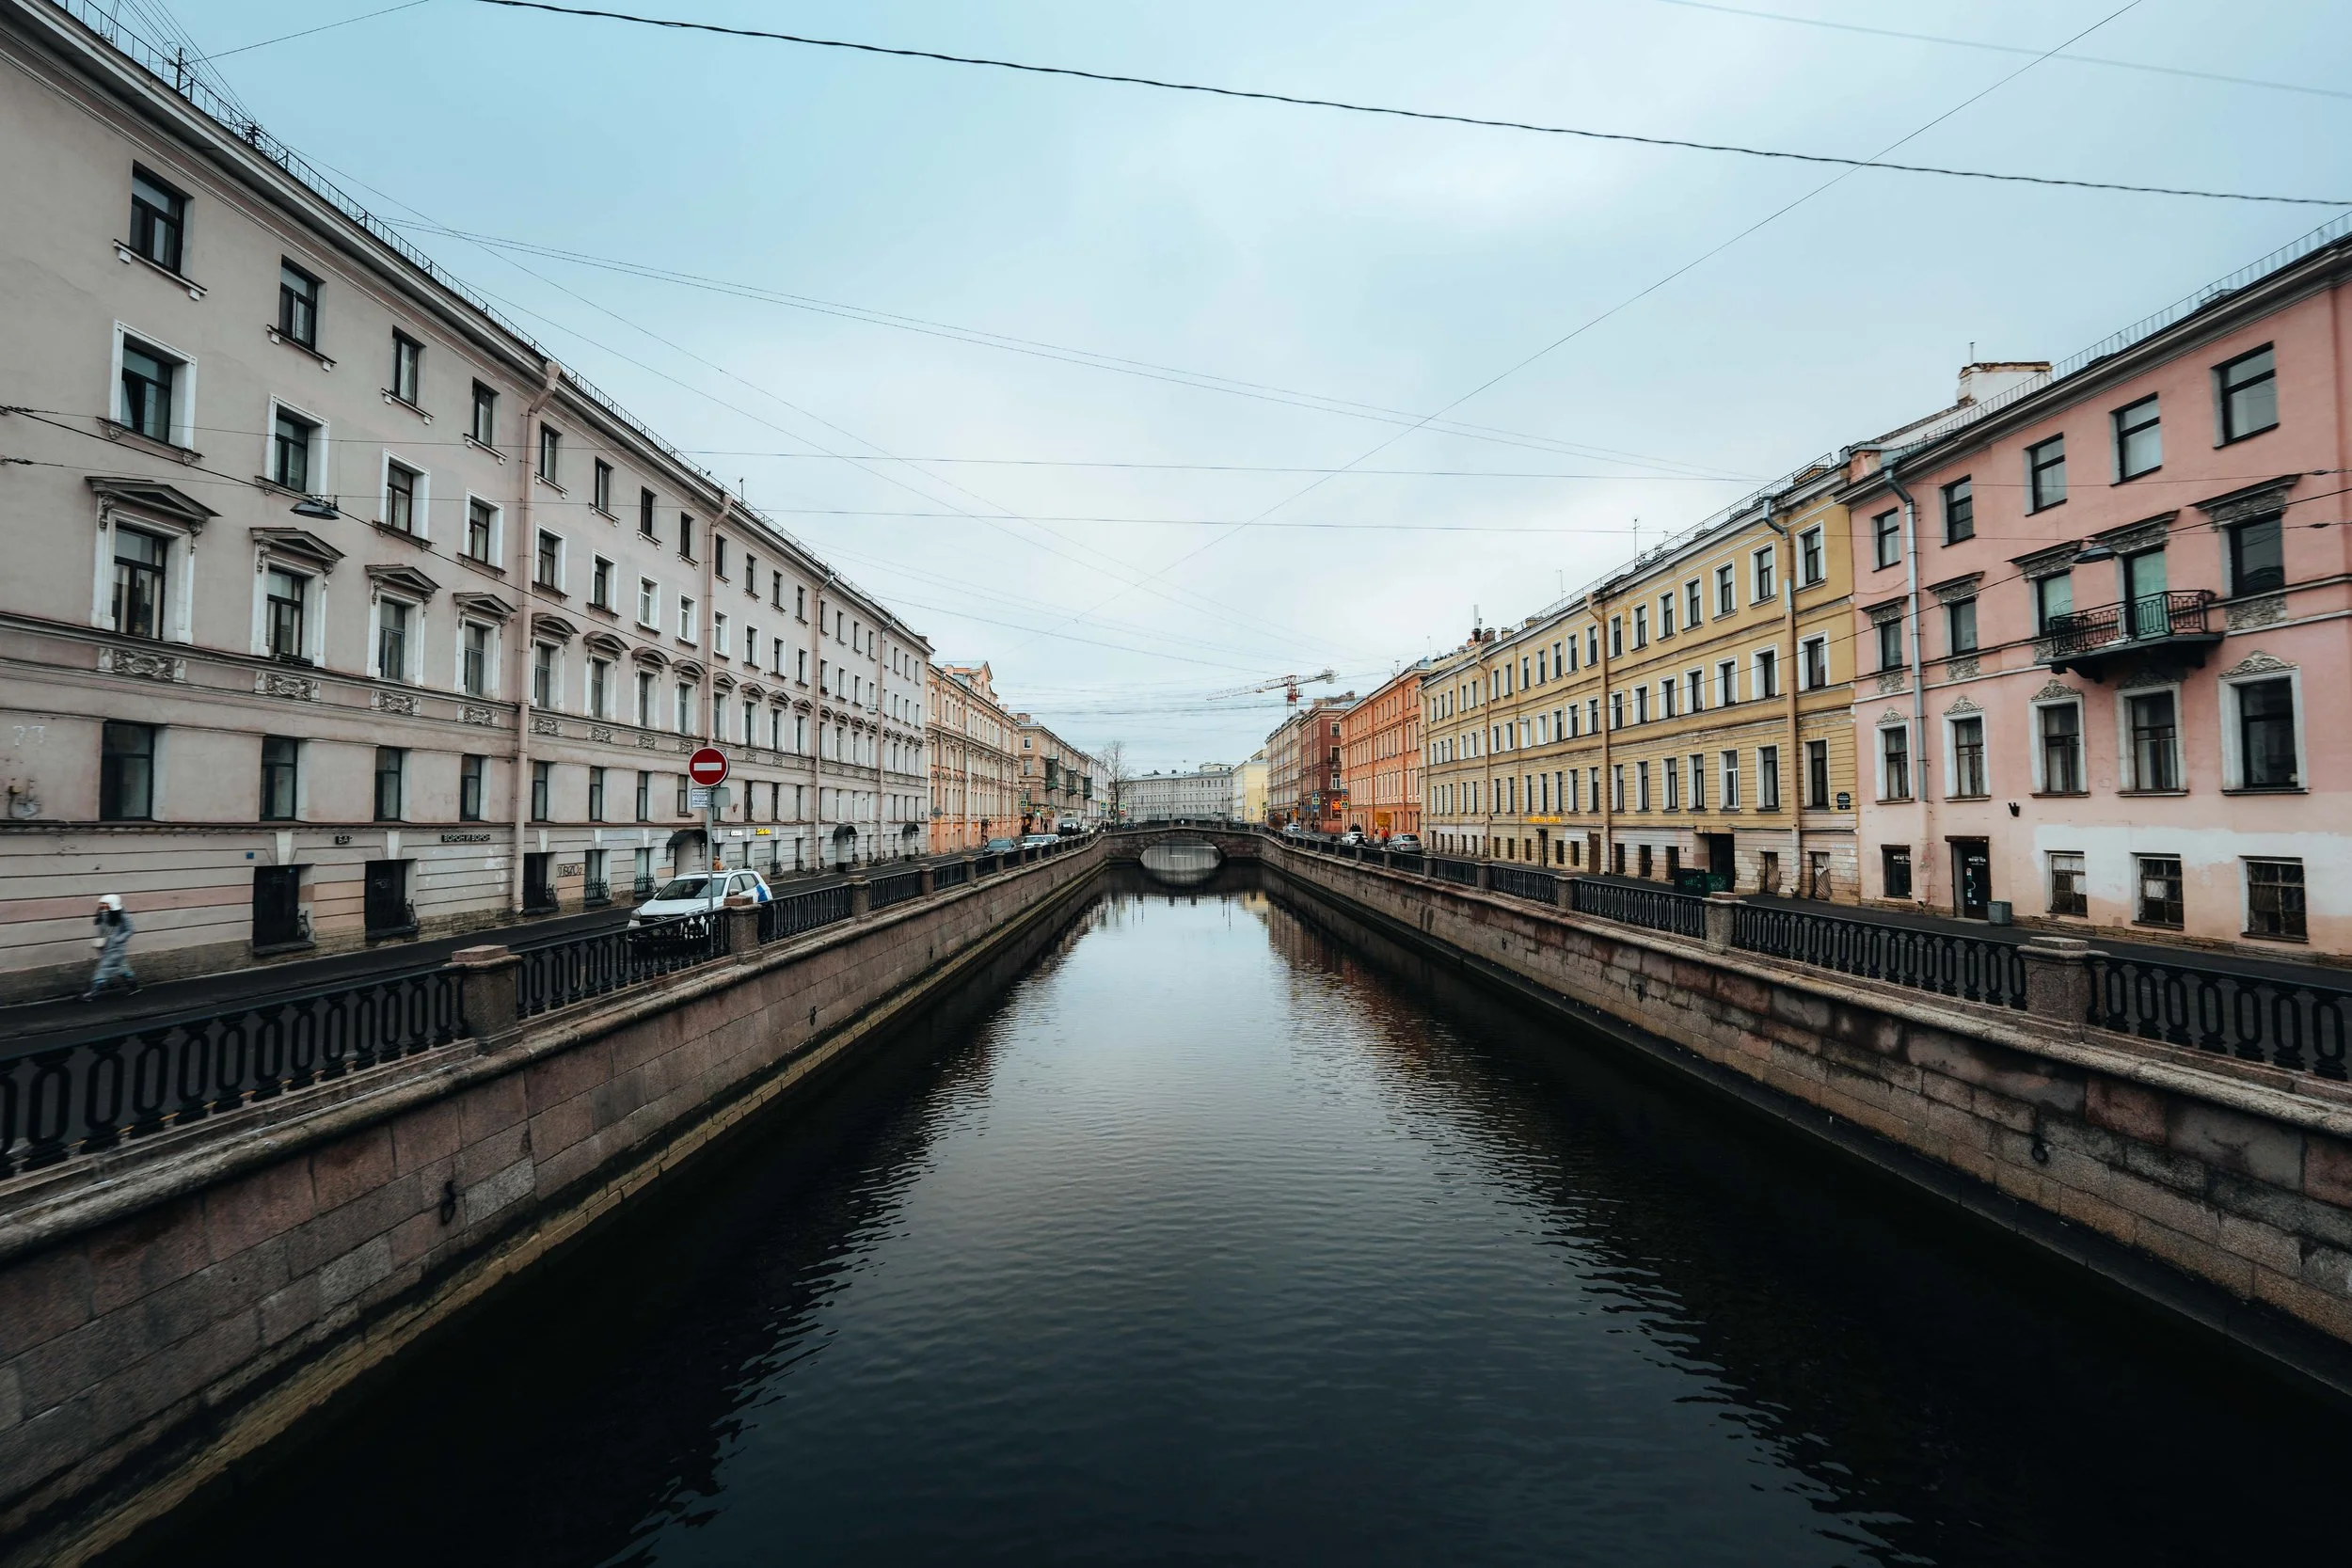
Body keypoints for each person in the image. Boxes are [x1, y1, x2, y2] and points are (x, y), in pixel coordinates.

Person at [82, 895, 138, 1001]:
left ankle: (91, 994)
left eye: (105, 903)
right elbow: (101, 931)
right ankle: (134, 987)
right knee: (123, 968)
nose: (102, 906)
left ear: (112, 904)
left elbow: (131, 930)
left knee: (102, 969)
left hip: (116, 948)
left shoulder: (123, 916)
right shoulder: (102, 915)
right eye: (101, 903)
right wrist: (99, 942)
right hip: (106, 947)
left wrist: (118, 939)